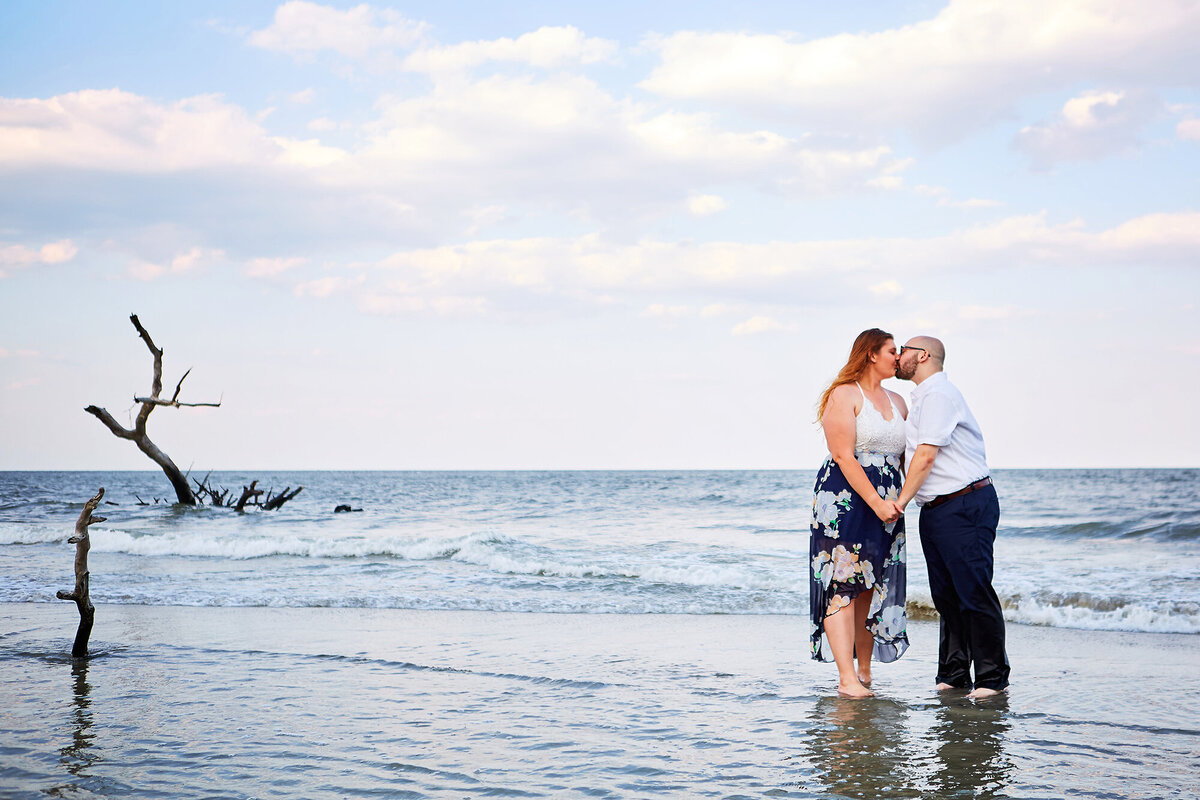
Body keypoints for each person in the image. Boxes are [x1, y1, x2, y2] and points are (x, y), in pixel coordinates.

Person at [895, 336, 1009, 699]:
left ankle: (992, 677)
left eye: (904, 351)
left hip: (965, 503)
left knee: (973, 590)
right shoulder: (921, 399)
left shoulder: (940, 395)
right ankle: (954, 673)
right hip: (935, 509)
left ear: (923, 355)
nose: (898, 357)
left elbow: (926, 456)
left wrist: (898, 503)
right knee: (946, 596)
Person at [810, 328, 910, 698]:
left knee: (870, 584)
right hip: (844, 501)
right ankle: (846, 678)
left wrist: (903, 500)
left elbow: (904, 458)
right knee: (842, 585)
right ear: (871, 354)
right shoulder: (844, 394)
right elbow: (843, 456)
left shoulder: (899, 402)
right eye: (891, 351)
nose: (897, 357)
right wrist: (877, 502)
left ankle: (864, 672)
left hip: (887, 501)